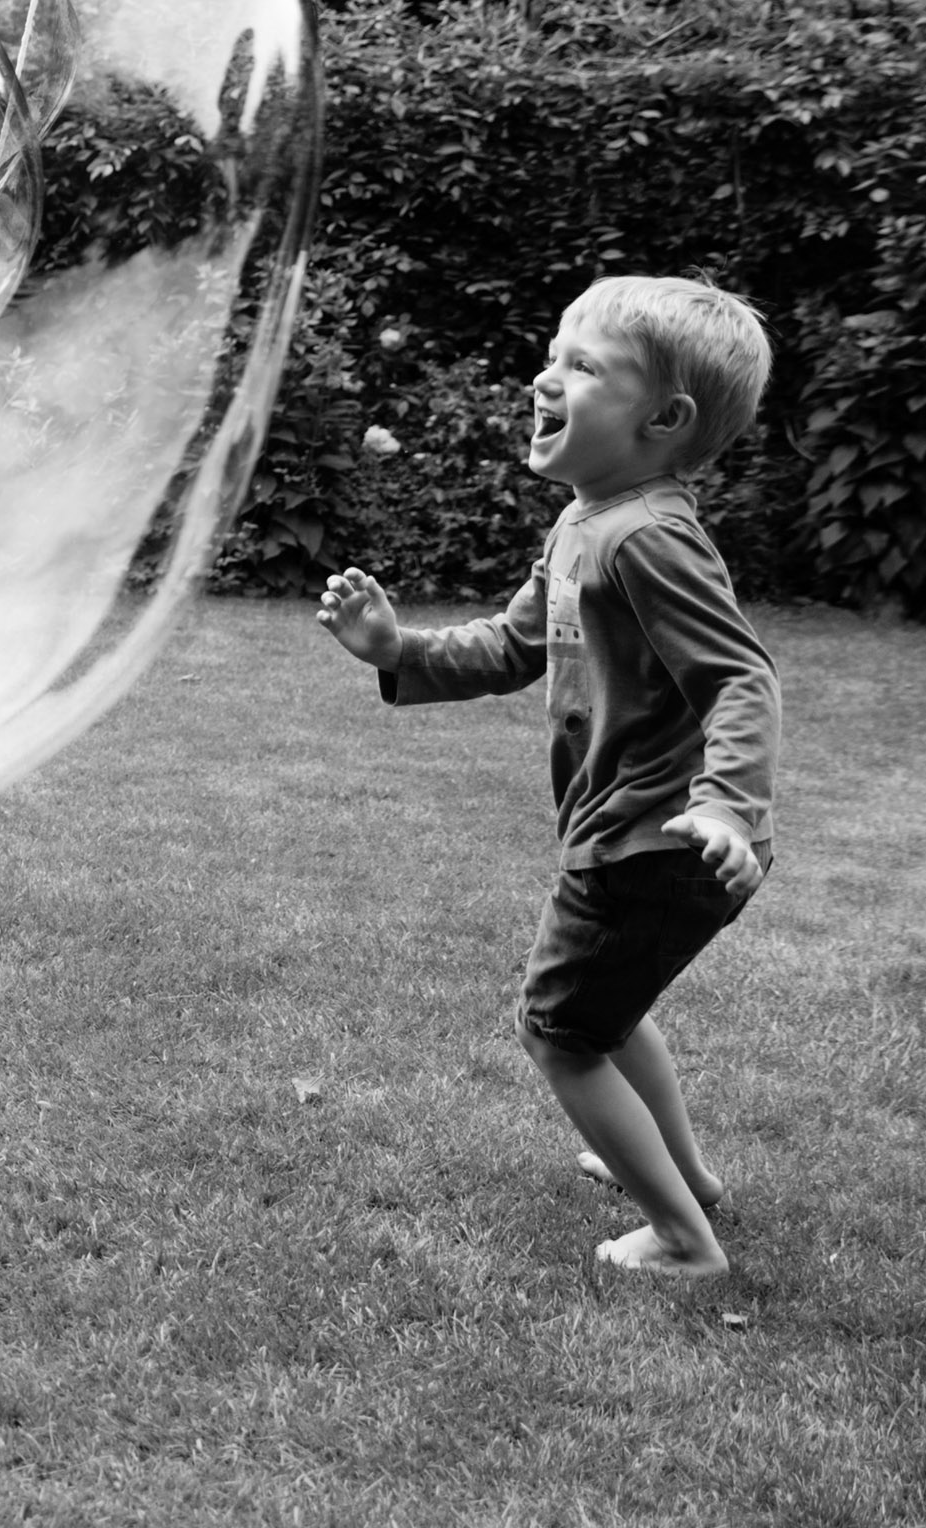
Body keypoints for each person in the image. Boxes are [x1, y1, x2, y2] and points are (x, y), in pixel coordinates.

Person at [316, 275, 778, 1280]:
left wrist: (728, 806)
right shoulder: (586, 522)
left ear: (664, 419)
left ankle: (683, 1244)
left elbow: (741, 676)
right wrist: (399, 649)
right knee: (609, 1011)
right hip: (634, 833)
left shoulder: (648, 537)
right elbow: (517, 645)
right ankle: (687, 1184)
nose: (546, 375)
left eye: (583, 366)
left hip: (659, 838)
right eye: (552, 351)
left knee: (560, 1029)